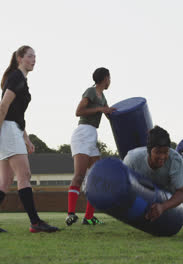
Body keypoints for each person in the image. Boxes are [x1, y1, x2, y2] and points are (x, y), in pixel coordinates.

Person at [0, 45, 58, 233]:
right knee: (24, 176)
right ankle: (35, 223)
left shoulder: (20, 80)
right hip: (5, 129)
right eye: (30, 56)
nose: (34, 60)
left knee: (5, 180)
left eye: (35, 57)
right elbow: (3, 107)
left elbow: (17, 115)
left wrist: (26, 138)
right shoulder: (16, 77)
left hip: (10, 129)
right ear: (19, 58)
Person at [123, 126, 183, 233]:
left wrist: (162, 207)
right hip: (143, 187)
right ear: (149, 151)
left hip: (167, 185)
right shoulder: (132, 159)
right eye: (158, 152)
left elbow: (181, 193)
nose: (162, 156)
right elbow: (125, 185)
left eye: (165, 152)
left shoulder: (176, 159)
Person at [66, 67, 116, 226]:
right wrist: (100, 109)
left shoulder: (103, 97)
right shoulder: (91, 91)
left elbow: (109, 114)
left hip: (92, 135)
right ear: (105, 78)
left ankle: (88, 217)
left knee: (96, 177)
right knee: (79, 175)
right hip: (82, 134)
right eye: (110, 78)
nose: (110, 81)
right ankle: (71, 214)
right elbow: (78, 111)